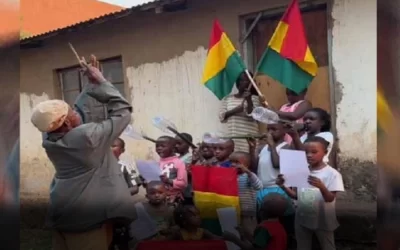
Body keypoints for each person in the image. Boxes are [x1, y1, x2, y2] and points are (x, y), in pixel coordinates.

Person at [30, 57, 135, 250]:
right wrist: (102, 81)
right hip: (86, 219)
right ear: (68, 124)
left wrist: (90, 85)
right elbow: (123, 113)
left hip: (63, 209)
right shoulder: (87, 137)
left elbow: (79, 110)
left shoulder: (48, 136)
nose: (75, 110)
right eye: (71, 113)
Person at [276, 136, 345, 250]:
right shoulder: (300, 171)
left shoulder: (332, 174)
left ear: (325, 152)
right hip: (302, 217)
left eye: (314, 152)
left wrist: (321, 187)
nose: (309, 155)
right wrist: (282, 186)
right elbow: (296, 196)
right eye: (306, 152)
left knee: (328, 246)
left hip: (323, 219)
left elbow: (330, 199)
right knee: (302, 246)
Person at [249, 122, 294, 244]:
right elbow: (254, 167)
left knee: (282, 224)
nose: (269, 132)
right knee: (264, 223)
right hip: (263, 189)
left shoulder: (286, 146)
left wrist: (272, 145)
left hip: (278, 190)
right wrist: (252, 148)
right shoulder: (263, 148)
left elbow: (277, 164)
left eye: (274, 129)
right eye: (268, 129)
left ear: (283, 132)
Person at [223, 193, 288, 250]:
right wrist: (245, 235)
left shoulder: (264, 228)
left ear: (263, 212)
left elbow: (253, 248)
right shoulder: (279, 226)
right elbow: (258, 242)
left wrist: (234, 239)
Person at [219, 72, 261, 152]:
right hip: (233, 140)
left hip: (248, 141)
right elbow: (221, 117)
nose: (243, 83)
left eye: (247, 81)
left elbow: (253, 115)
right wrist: (235, 110)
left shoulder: (255, 99)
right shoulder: (228, 99)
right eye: (241, 80)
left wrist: (249, 100)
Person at [229, 151, 263, 236]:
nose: (233, 164)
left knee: (249, 234)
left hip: (247, 213)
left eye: (237, 162)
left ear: (246, 165)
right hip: (233, 211)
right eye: (231, 162)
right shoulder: (230, 176)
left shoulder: (248, 177)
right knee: (235, 233)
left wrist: (248, 172)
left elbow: (259, 186)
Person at [156, 136, 188, 206]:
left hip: (173, 199)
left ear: (173, 149)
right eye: (157, 146)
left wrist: (169, 181)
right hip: (159, 199)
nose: (159, 148)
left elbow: (183, 183)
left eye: (162, 146)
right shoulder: (158, 163)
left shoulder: (179, 162)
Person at [175, 133, 194, 205]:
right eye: (175, 143)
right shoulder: (177, 158)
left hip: (187, 193)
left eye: (179, 143)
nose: (176, 146)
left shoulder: (190, 157)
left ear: (189, 144)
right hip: (178, 192)